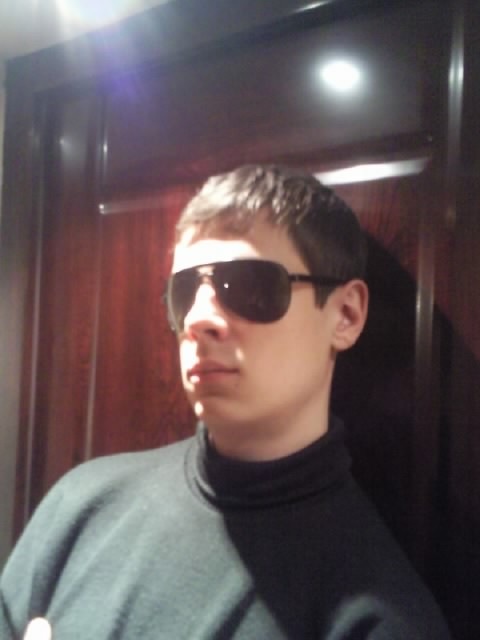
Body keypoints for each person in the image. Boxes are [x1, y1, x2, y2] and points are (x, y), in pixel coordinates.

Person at [1, 165, 451, 639]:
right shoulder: (81, 506)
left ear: (346, 314)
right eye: (184, 293)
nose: (197, 319)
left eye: (249, 285)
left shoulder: (381, 622)